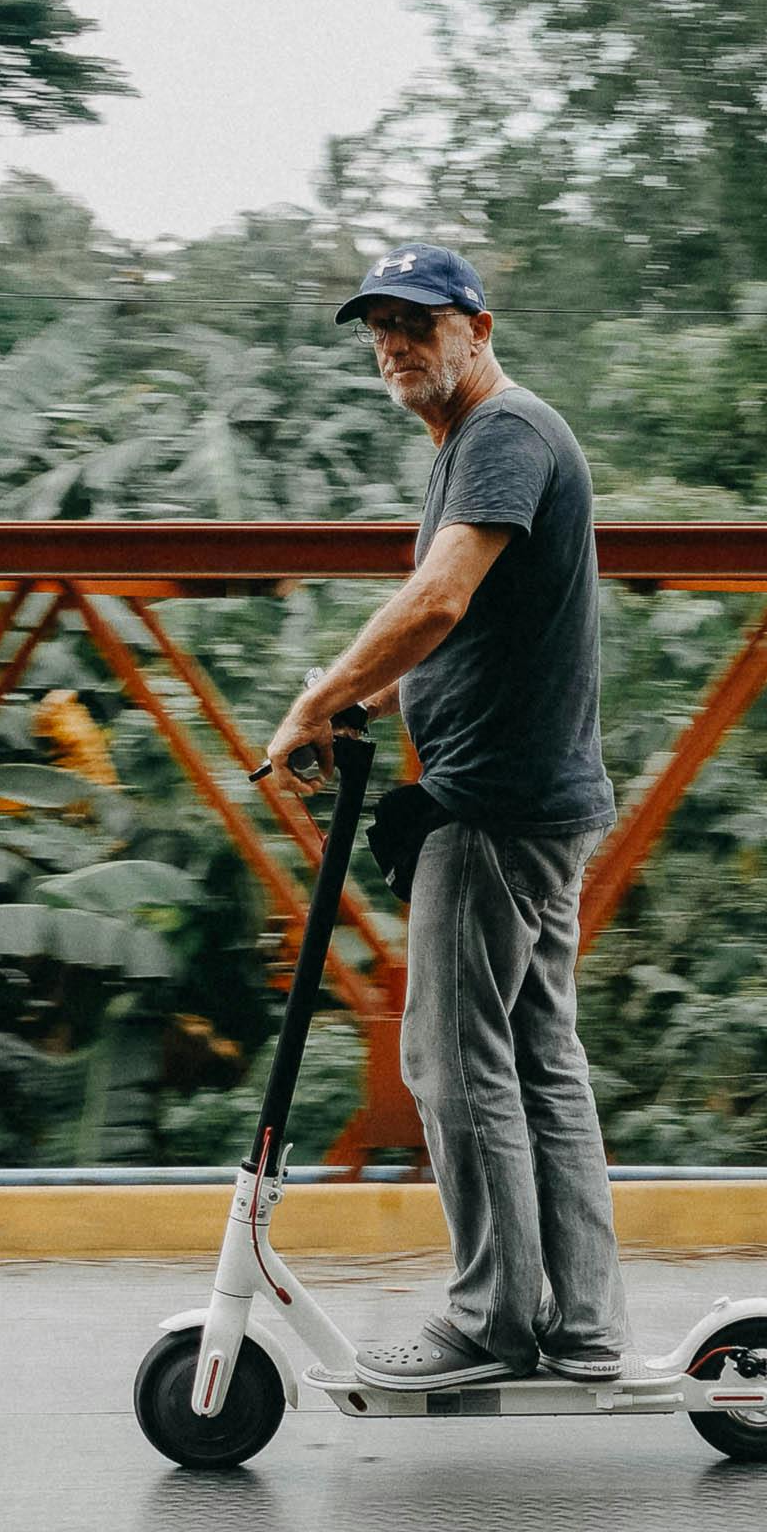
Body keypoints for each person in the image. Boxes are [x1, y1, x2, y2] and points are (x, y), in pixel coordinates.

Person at [263, 243, 627, 1391]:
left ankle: (491, 1322)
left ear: (476, 323)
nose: (394, 343)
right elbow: (462, 630)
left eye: (417, 321)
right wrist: (360, 708)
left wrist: (315, 697)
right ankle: (582, 1327)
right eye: (378, 324)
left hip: (494, 804)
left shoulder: (503, 433)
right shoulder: (484, 442)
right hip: (541, 798)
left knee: (447, 1061)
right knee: (535, 1057)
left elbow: (439, 597)